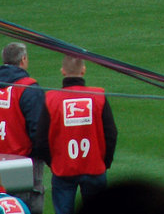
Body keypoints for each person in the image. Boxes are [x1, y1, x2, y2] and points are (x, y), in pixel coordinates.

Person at [36, 55, 117, 214]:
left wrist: (54, 163)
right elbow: (111, 134)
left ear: (63, 71)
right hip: (95, 168)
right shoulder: (98, 96)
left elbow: (41, 141)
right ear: (84, 70)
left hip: (63, 170)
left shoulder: (51, 98)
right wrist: (104, 163)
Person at [0, 43, 44, 214]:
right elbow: (38, 131)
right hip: (23, 161)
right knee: (26, 206)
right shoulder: (28, 88)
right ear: (23, 59)